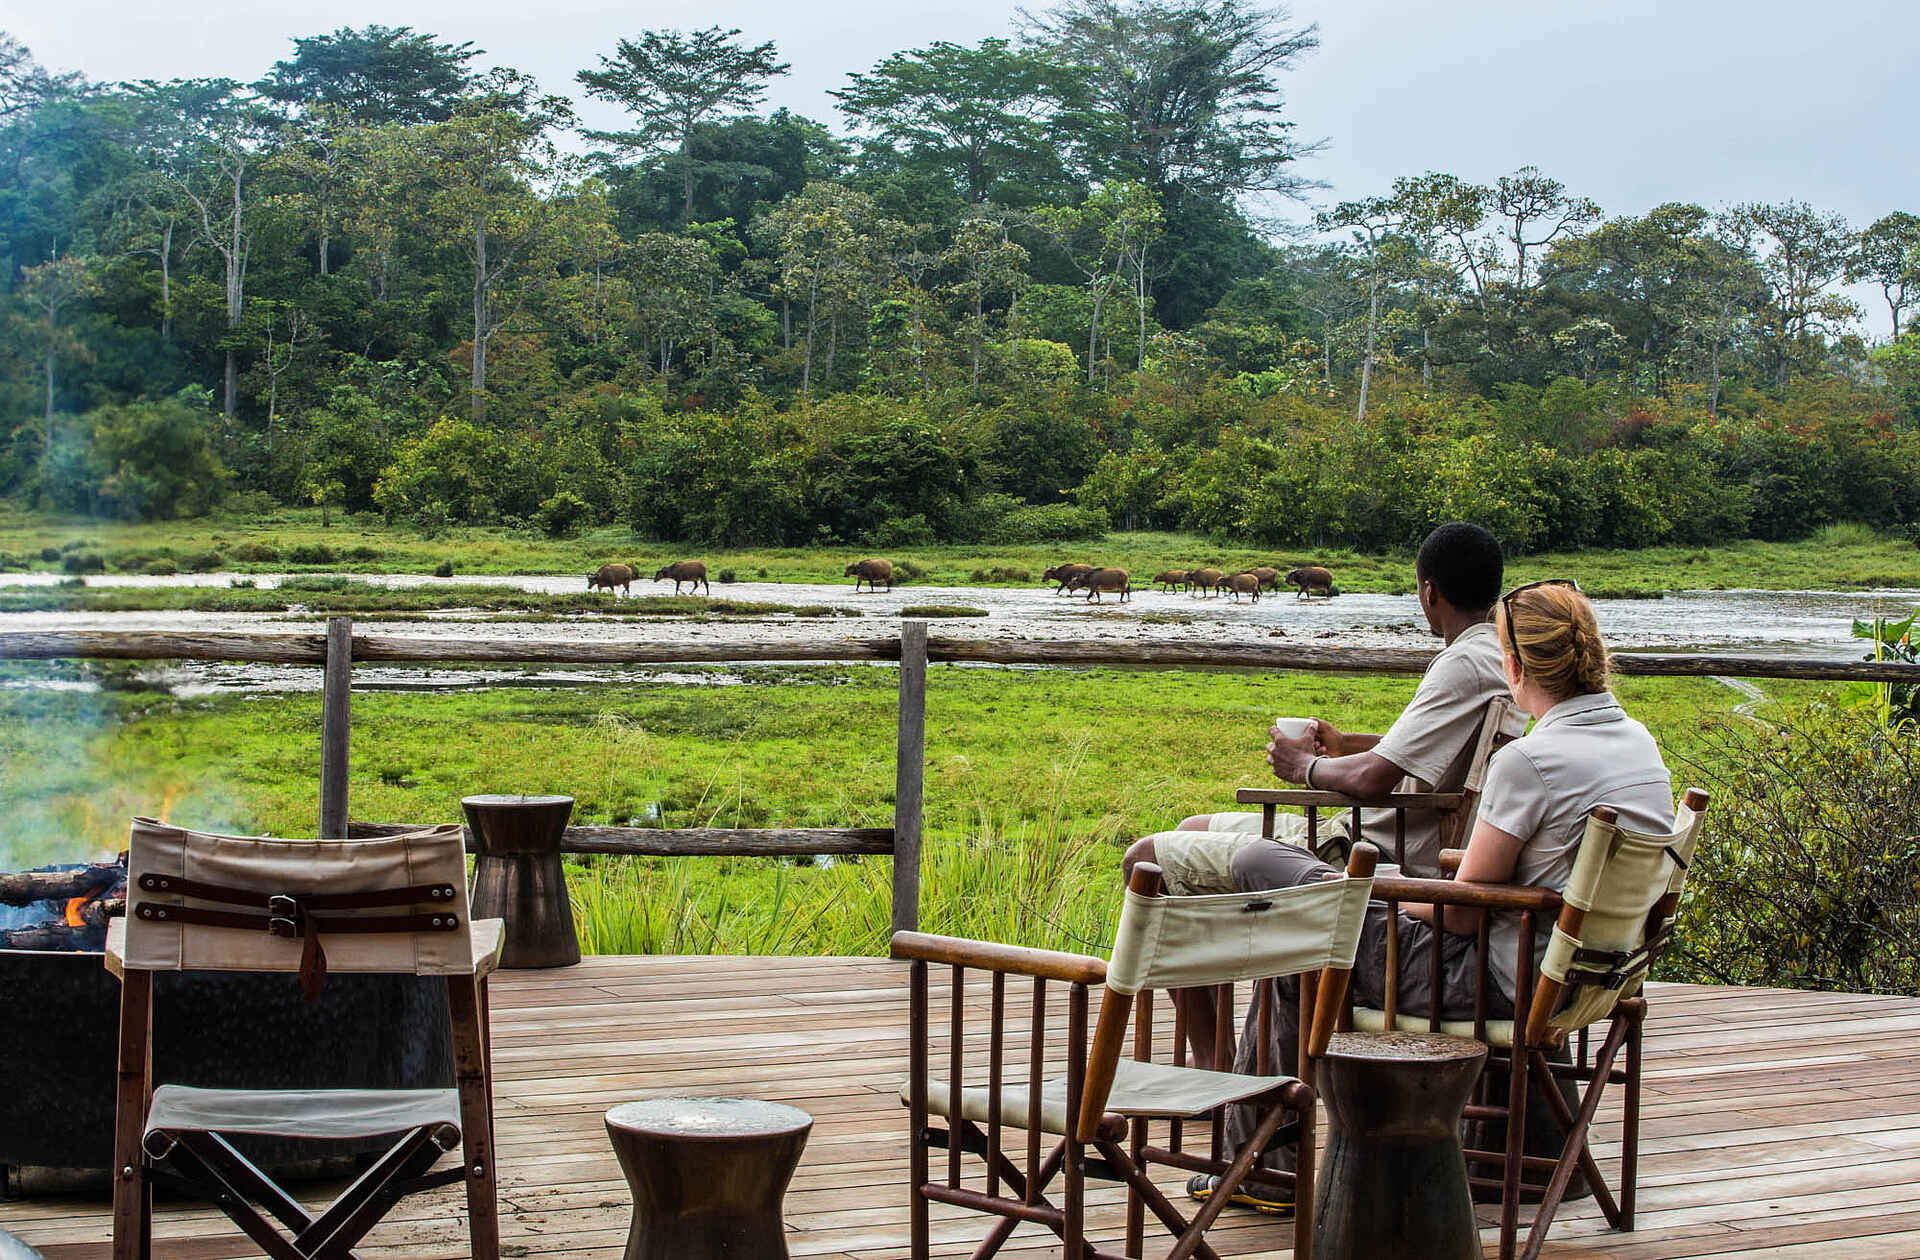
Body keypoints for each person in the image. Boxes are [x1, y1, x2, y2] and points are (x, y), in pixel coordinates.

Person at [1190, 578, 1676, 1216]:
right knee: (1311, 904)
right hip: (1588, 976)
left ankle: (1265, 1170)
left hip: (1494, 981)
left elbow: (1460, 914)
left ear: (1514, 666)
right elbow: (1486, 885)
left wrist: (1376, 888)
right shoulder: (1640, 746)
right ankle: (1270, 1159)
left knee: (1298, 929)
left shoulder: (1530, 762)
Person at [1122, 521, 1509, 1069]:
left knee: (1151, 859)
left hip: (1375, 848)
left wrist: (1301, 767)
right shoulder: (1503, 659)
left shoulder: (1460, 663)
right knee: (1189, 833)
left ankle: (1215, 1060)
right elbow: (1433, 752)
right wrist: (1348, 743)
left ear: (1430, 592)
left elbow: (1374, 779)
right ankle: (1227, 1048)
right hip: (1423, 846)